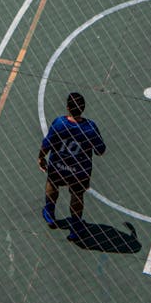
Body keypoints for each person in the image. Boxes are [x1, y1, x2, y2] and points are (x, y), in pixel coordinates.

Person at [38, 91, 105, 242]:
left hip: (59, 164)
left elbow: (47, 143)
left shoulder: (60, 123)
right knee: (77, 194)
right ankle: (75, 227)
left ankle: (49, 214)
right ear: (83, 108)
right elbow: (100, 150)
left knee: (52, 183)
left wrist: (41, 157)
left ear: (68, 107)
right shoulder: (90, 128)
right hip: (79, 169)